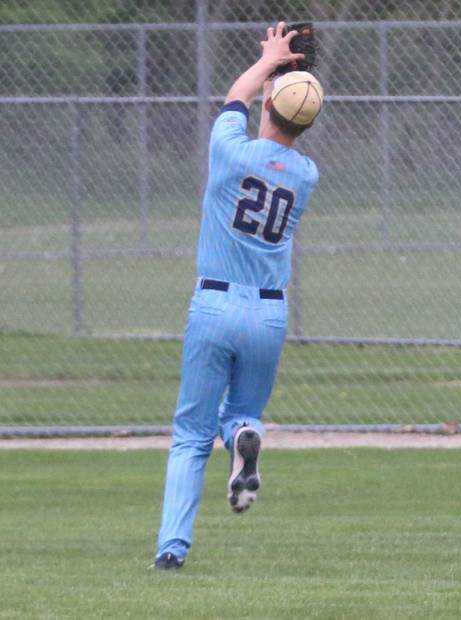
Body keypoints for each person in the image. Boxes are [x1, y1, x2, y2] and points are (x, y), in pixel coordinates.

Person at [152, 22, 323, 570]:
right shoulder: (307, 174)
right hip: (268, 313)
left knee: (190, 436)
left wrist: (271, 60)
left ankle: (172, 550)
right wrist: (291, 75)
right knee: (243, 410)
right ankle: (245, 435)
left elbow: (235, 97)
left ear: (269, 104)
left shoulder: (230, 152)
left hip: (214, 305)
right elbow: (283, 112)